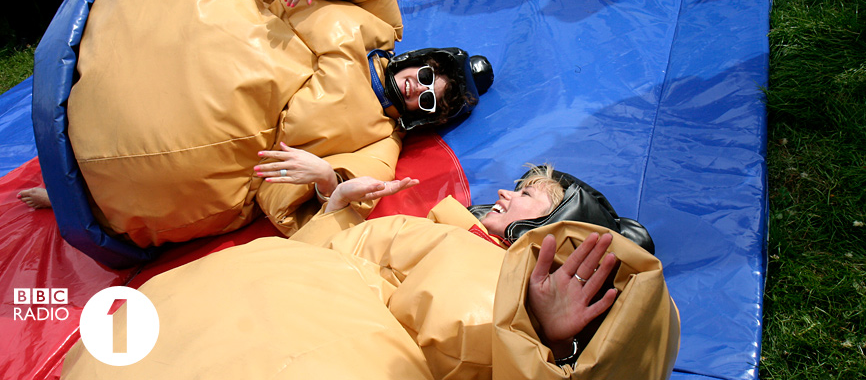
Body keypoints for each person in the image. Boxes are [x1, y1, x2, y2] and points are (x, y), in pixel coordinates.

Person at [56, 0, 492, 252]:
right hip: (236, 31)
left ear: (423, 118)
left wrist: (323, 175)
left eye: (430, 101)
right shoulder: (381, 24)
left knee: (163, 163)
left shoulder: (381, 141)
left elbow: (344, 197)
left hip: (223, 130)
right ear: (422, 59)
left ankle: (77, 184)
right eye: (428, 76)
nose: (420, 89)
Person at [60, 165, 680, 379]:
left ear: (561, 226)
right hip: (260, 291)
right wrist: (332, 207)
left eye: (527, 193)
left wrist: (546, 336)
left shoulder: (502, 279)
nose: (502, 191)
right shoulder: (440, 229)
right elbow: (330, 264)